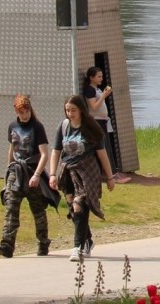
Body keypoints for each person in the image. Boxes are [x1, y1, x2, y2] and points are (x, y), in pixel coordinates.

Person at [47, 94, 115, 262]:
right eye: (67, 110)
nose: (70, 114)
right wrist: (53, 173)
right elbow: (55, 151)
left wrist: (110, 177)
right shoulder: (63, 127)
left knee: (79, 205)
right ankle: (88, 240)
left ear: (81, 110)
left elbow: (102, 154)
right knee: (74, 208)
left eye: (73, 110)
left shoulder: (90, 127)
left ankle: (77, 247)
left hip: (87, 173)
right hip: (68, 172)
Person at [0, 95, 52, 258]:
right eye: (21, 112)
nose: (25, 115)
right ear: (16, 111)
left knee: (38, 210)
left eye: (27, 111)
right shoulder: (12, 126)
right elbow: (11, 149)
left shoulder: (37, 127)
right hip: (16, 172)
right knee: (11, 207)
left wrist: (38, 175)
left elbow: (44, 154)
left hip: (32, 171)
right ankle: (7, 245)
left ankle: (43, 243)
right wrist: (9, 168)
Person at [82, 67, 130, 184]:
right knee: (103, 148)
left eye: (102, 76)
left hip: (102, 121)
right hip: (96, 121)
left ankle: (111, 172)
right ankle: (111, 174)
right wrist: (104, 95)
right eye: (98, 76)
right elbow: (93, 107)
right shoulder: (90, 90)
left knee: (106, 146)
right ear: (91, 78)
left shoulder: (96, 89)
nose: (101, 79)